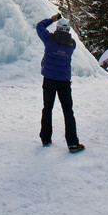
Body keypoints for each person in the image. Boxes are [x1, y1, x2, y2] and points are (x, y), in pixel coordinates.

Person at [36, 13, 84, 153]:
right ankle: (72, 143)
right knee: (68, 111)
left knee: (47, 108)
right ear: (68, 30)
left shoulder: (49, 39)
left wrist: (52, 19)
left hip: (49, 79)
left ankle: (45, 138)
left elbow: (39, 26)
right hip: (64, 81)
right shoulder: (72, 45)